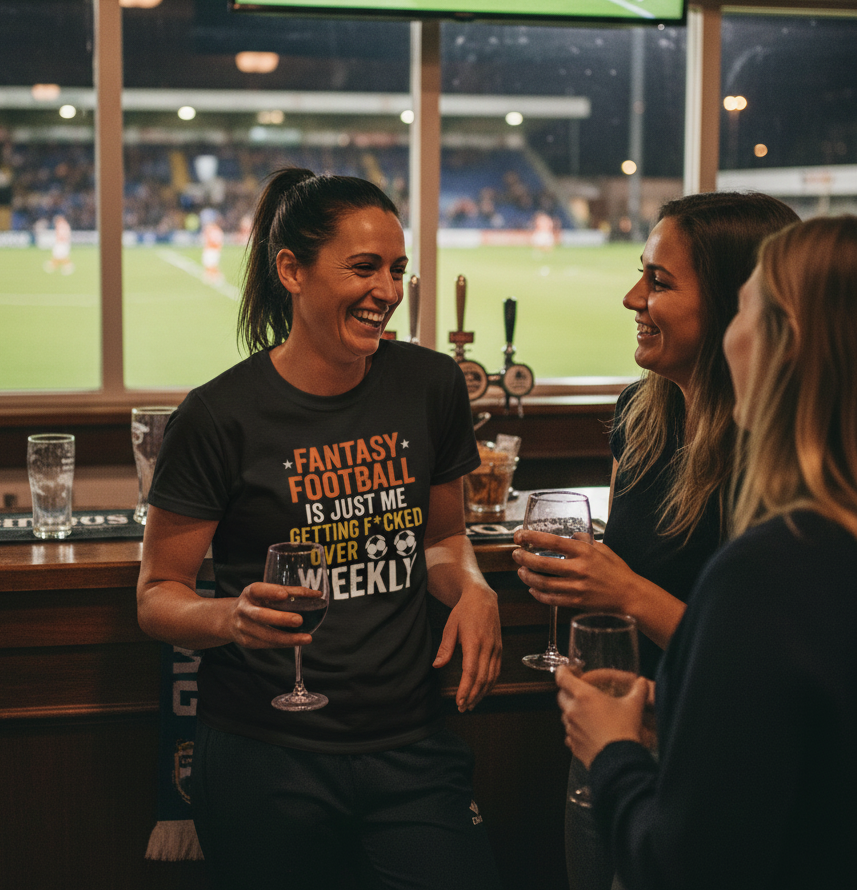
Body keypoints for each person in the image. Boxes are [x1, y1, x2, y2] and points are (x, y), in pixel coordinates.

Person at [137, 169, 503, 890]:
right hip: (263, 752)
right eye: (364, 268)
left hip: (410, 744)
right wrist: (230, 617)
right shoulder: (217, 416)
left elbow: (442, 538)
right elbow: (157, 595)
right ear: (291, 270)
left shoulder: (429, 386)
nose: (388, 291)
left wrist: (473, 588)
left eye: (396, 269)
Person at [557, 214, 857, 890]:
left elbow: (682, 865)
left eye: (750, 307)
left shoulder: (774, 563)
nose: (632, 298)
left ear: (781, 340)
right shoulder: (643, 416)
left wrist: (610, 749)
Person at [511, 191, 799, 890]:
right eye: (641, 272)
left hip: (713, 758)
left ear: (739, 304)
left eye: (659, 281)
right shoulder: (638, 412)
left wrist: (626, 593)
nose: (631, 296)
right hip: (613, 738)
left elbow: (770, 667)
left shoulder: (786, 463)